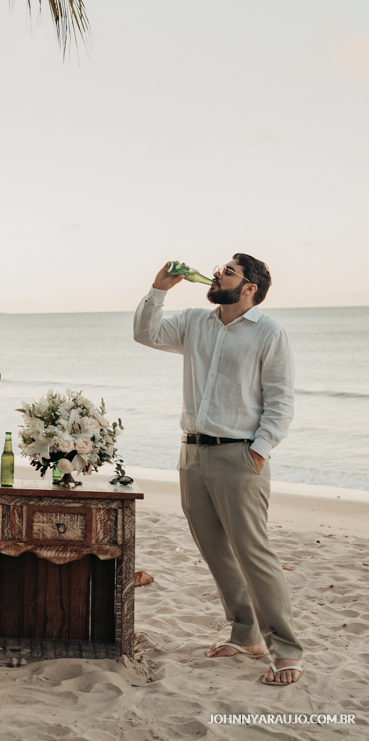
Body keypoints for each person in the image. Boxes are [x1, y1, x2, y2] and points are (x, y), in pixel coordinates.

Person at [133, 255, 303, 687]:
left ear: (249, 287)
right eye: (220, 267)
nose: (217, 272)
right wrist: (159, 289)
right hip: (192, 454)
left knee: (253, 554)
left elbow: (281, 399)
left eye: (228, 270)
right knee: (215, 550)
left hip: (239, 456)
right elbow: (145, 333)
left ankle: (286, 650)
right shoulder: (195, 321)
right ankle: (246, 635)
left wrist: (259, 450)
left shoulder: (269, 332)